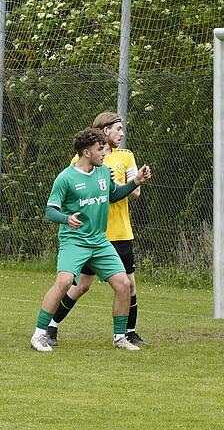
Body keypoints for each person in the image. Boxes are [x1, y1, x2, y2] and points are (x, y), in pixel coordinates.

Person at [30, 128, 152, 352]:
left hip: (99, 241)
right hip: (74, 241)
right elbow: (49, 211)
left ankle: (120, 338)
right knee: (65, 282)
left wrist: (136, 181)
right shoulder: (65, 178)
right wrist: (66, 218)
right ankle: (39, 335)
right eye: (99, 150)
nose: (104, 153)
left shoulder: (104, 172)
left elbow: (113, 195)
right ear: (86, 153)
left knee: (124, 284)